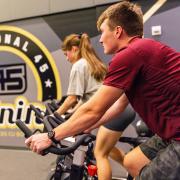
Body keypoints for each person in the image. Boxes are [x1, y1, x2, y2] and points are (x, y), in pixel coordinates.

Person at [25, 1, 180, 180]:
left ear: (118, 31)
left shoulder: (129, 54)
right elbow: (118, 105)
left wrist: (51, 136)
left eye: (103, 32)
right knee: (132, 162)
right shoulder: (142, 49)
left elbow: (93, 109)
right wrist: (84, 127)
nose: (99, 39)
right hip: (169, 133)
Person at [56, 33, 107, 115]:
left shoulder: (78, 66)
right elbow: (88, 97)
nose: (67, 59)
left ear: (74, 49)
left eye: (66, 54)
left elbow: (72, 99)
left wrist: (55, 115)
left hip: (105, 110)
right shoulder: (93, 63)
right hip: (114, 108)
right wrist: (72, 112)